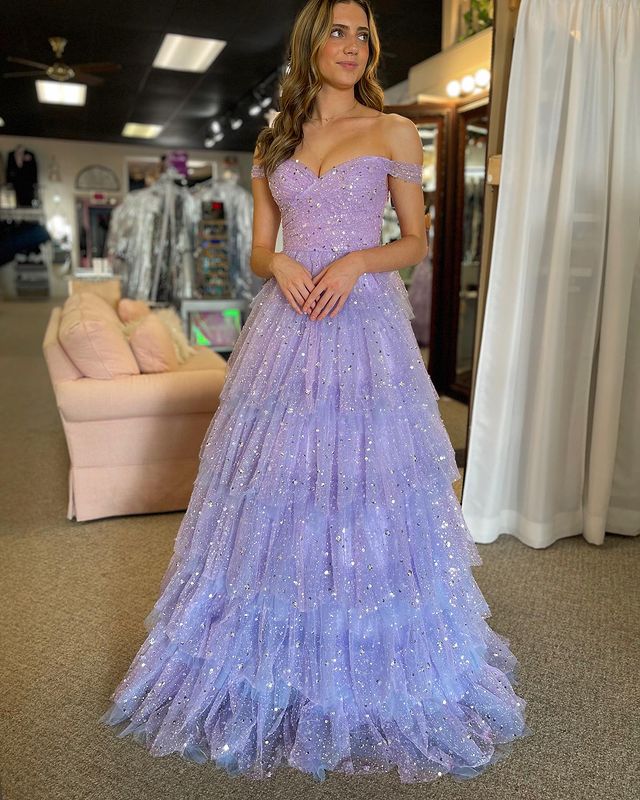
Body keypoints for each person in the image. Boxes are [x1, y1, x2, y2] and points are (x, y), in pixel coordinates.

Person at [100, 0, 532, 782]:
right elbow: (259, 250)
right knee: (279, 483)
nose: (353, 45)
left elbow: (415, 240)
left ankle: (360, 652)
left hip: (362, 324)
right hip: (289, 323)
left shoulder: (393, 130)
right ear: (310, 44)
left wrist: (358, 260)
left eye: (363, 34)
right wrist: (282, 264)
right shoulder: (275, 139)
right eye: (338, 31)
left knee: (364, 482)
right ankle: (277, 654)